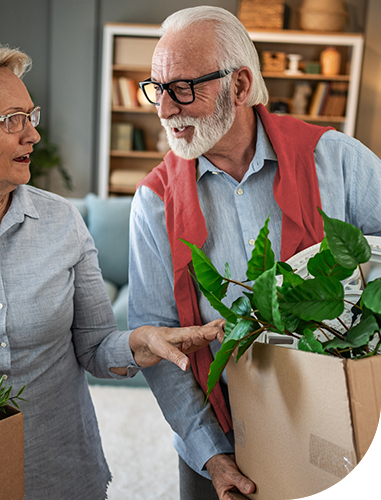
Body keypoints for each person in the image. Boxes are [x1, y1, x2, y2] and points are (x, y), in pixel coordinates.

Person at [0, 33, 226, 499]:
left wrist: (141, 342)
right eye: (12, 120)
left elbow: (95, 347)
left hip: (59, 467)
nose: (33, 133)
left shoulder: (61, 220)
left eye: (31, 116)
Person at [128, 6, 381, 500]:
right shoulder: (153, 201)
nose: (163, 109)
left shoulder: (339, 159)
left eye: (183, 88)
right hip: (218, 447)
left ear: (240, 86)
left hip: (341, 432)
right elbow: (162, 343)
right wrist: (212, 454)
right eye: (157, 88)